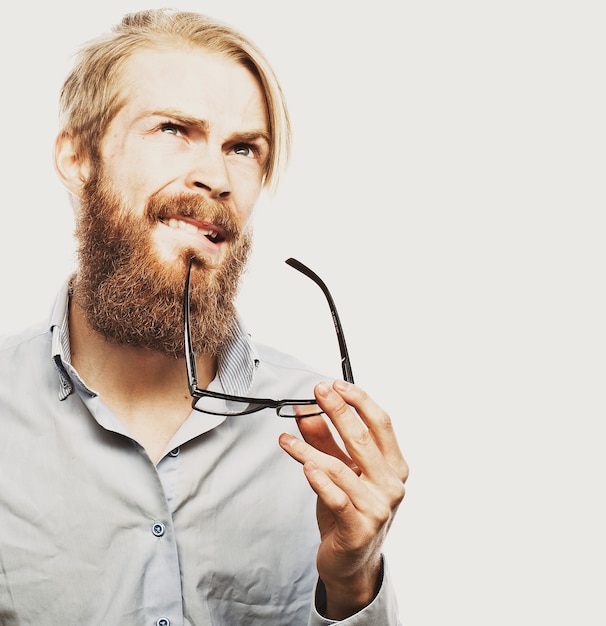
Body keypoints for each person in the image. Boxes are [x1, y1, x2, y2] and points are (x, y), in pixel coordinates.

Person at [0, 8, 408, 625]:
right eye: (172, 129)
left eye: (243, 148)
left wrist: (352, 581)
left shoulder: (321, 436)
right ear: (77, 158)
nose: (216, 177)